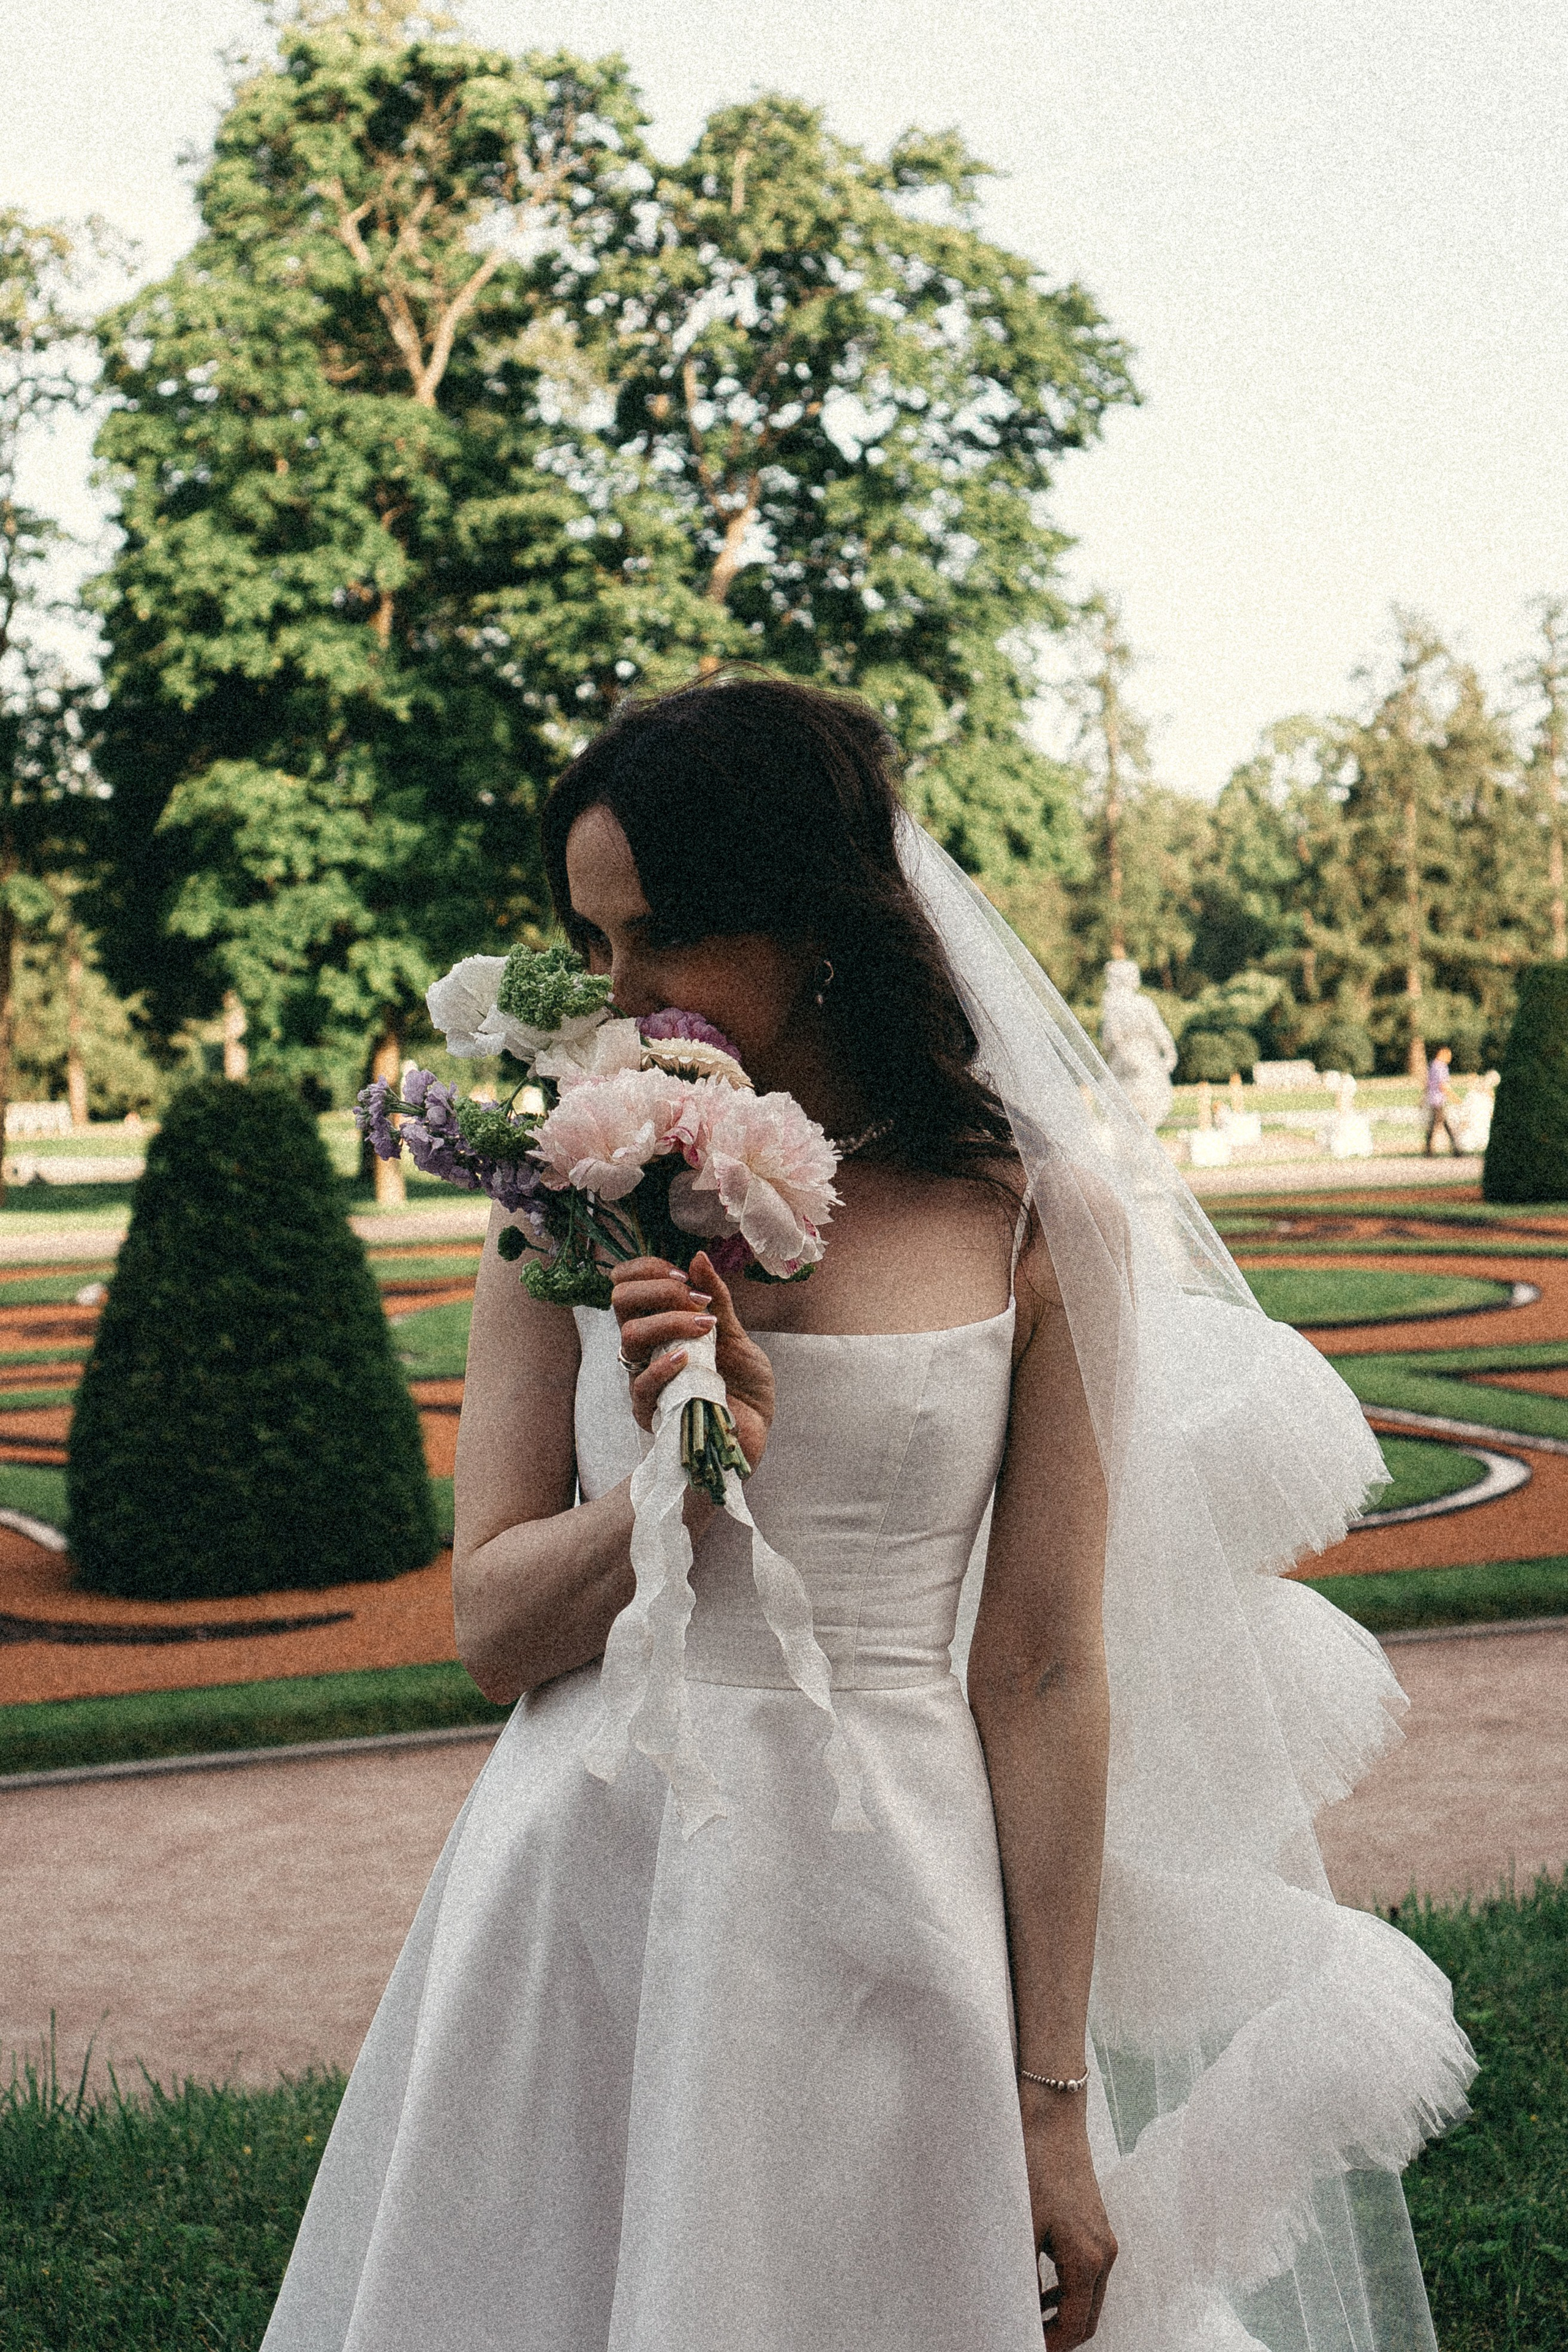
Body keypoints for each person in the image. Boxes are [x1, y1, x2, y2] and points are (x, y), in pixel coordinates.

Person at [262, 675, 1473, 2352]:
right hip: (589, 1884)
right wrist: (676, 1496)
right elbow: (487, 1633)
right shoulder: (567, 1194)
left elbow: (1045, 1671)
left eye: (662, 935)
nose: (617, 995)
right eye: (592, 939)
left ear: (817, 924)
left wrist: (1052, 2103)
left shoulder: (1040, 1218)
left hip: (883, 1891)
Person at [1423, 1046, 1460, 1155]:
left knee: (1436, 1125)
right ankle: (1455, 1150)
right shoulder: (1440, 1067)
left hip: (1434, 1099)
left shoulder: (1433, 1066)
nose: (1450, 1057)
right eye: (1448, 1055)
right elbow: (1442, 1085)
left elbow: (1428, 1084)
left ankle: (1429, 1150)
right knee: (1442, 1125)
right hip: (1437, 1100)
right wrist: (1454, 1097)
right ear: (1441, 1053)